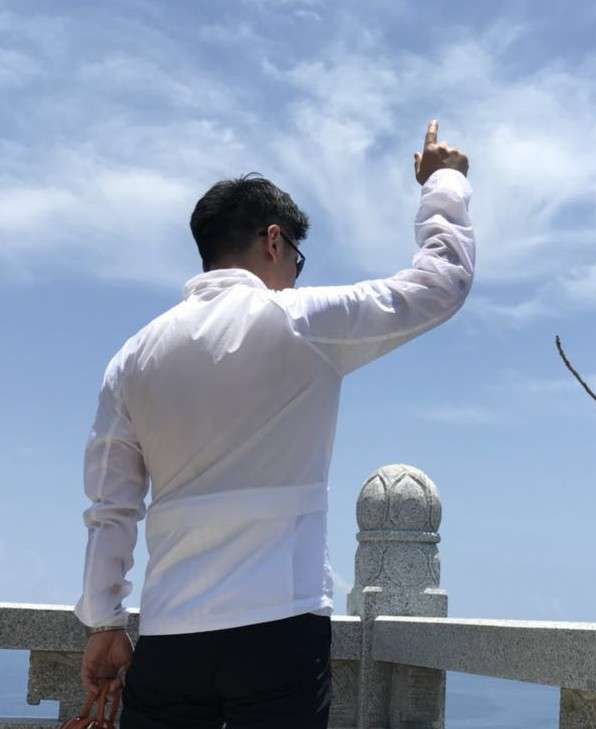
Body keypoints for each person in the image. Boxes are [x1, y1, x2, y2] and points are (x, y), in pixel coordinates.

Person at [74, 119, 474, 728]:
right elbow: (441, 285)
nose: (295, 273)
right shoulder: (300, 321)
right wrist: (443, 183)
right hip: (280, 629)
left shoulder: (132, 359)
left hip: (169, 636)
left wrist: (104, 620)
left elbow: (111, 508)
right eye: (296, 257)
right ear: (272, 240)